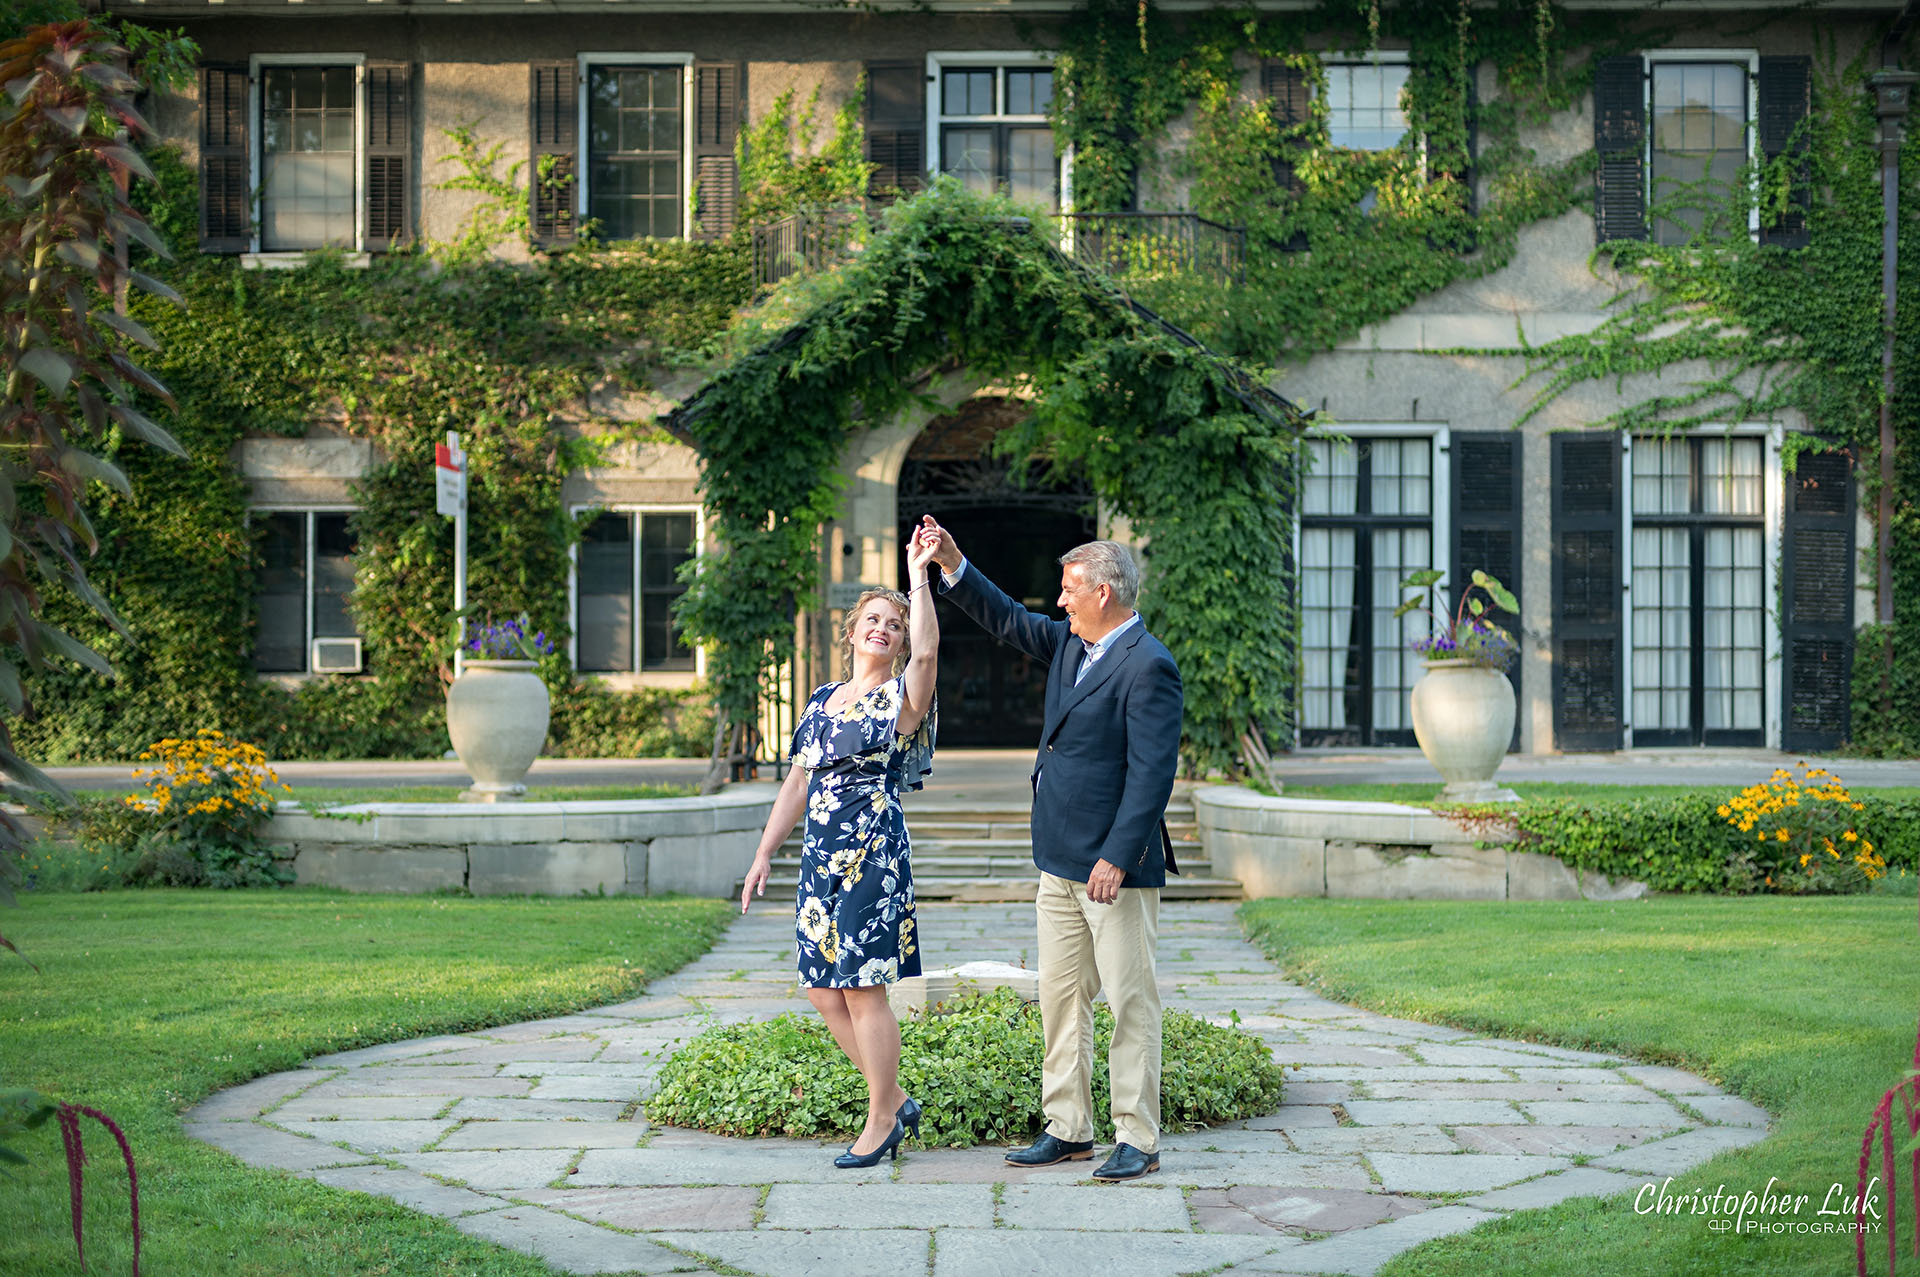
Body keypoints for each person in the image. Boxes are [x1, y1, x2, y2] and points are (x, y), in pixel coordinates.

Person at [916, 515, 1181, 1182]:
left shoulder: (1150, 665)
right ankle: (1068, 1128)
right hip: (1058, 860)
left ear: (1104, 592)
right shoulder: (1070, 644)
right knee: (1062, 1001)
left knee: (1130, 1002)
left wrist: (1118, 856)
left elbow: (1153, 773)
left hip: (1114, 871)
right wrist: (951, 561)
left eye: (1068, 588)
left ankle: (1138, 1139)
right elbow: (1006, 618)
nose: (1058, 600)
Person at [739, 528, 942, 1169]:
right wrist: (764, 852)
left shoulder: (899, 699)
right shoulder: (822, 700)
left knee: (862, 989)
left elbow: (931, 658)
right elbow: (797, 780)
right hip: (818, 859)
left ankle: (880, 1117)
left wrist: (919, 578)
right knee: (822, 989)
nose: (883, 629)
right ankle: (895, 1098)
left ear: (901, 643)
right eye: (873, 620)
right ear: (853, 632)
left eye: (895, 626)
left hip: (872, 854)